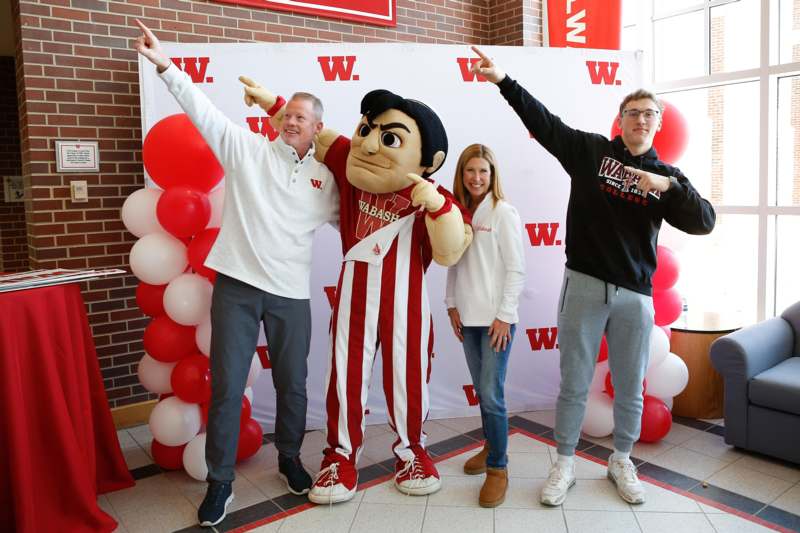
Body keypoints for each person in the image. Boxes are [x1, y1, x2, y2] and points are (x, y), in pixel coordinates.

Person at [468, 46, 715, 506]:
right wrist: (503, 80)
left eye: (650, 114)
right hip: (583, 286)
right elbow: (544, 122)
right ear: (620, 121)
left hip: (636, 299)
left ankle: (622, 459)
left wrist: (668, 186)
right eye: (633, 113)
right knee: (575, 383)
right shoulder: (590, 153)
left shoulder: (667, 178)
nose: (641, 120)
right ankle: (564, 462)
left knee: (630, 384)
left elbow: (705, 220)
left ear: (658, 124)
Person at [133, 21, 339, 527]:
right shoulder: (245, 150)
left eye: (302, 117)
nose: (292, 121)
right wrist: (166, 65)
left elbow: (357, 219)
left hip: (291, 294)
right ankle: (220, 481)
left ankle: (289, 457)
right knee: (226, 386)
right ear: (277, 120)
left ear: (317, 130)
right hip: (238, 289)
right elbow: (201, 112)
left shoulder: (326, 180)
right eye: (287, 113)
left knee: (293, 385)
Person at [240, 82, 474, 503]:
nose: (370, 144)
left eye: (389, 138)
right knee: (345, 378)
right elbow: (317, 135)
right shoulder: (353, 163)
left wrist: (437, 206)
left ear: (427, 160)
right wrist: (272, 103)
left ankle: (411, 449)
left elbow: (449, 248)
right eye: (368, 130)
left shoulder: (431, 194)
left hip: (408, 304)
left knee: (407, 379)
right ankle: (340, 455)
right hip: (352, 300)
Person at [445, 144, 525, 508]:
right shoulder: (458, 213)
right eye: (470, 171)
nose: (476, 178)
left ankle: (498, 468)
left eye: (483, 172)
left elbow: (516, 268)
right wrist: (451, 305)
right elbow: (453, 261)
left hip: (495, 323)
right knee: (483, 391)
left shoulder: (503, 213)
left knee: (492, 395)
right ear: (462, 175)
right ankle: (491, 445)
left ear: (493, 176)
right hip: (468, 318)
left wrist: (505, 316)